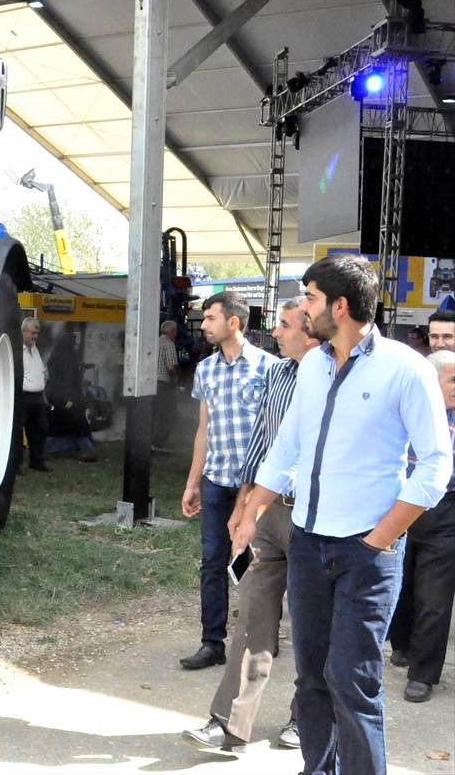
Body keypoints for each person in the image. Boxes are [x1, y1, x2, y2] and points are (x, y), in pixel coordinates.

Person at [232, 253, 452, 775]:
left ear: (340, 305)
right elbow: (287, 449)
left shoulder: (407, 368)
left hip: (365, 554)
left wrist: (379, 540)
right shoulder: (311, 365)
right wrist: (252, 508)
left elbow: (436, 467)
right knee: (311, 678)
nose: (303, 309)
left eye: (309, 298)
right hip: (308, 543)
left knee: (353, 681)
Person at [182, 297, 318, 751]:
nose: (275, 333)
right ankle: (227, 722)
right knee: (253, 612)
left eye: (283, 325)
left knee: (310, 623)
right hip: (269, 511)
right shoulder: (279, 374)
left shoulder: (334, 376)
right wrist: (245, 502)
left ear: (311, 329)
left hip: (315, 518)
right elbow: (264, 440)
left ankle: (307, 718)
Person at [180, 291, 275, 670]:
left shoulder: (270, 368)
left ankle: (261, 641)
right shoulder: (206, 370)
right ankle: (211, 643)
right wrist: (193, 482)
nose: (203, 325)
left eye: (210, 318)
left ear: (233, 322)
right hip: (218, 482)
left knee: (261, 565)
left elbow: (276, 432)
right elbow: (203, 431)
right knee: (212, 562)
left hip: (257, 486)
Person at [387, 348, 455, 702]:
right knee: (401, 583)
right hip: (400, 505)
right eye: (452, 379)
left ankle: (423, 675)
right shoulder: (406, 412)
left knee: (435, 596)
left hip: (446, 511)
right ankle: (402, 645)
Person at [46, 326, 97, 463]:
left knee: (57, 424)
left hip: (56, 397)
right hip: (67, 398)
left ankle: (55, 449)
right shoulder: (68, 357)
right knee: (78, 422)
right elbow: (68, 377)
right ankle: (85, 449)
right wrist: (69, 397)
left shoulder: (56, 355)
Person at [20, 317, 49, 471]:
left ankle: (37, 462)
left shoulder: (38, 350)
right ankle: (17, 464)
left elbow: (41, 375)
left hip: (38, 397)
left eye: (37, 333)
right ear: (24, 331)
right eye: (33, 333)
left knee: (40, 431)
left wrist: (44, 399)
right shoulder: (17, 350)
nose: (35, 336)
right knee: (18, 432)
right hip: (23, 397)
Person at [153, 320, 180, 453]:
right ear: (172, 331)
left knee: (156, 413)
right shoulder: (168, 344)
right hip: (163, 383)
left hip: (152, 382)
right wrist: (175, 378)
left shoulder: (155, 342)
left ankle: (151, 441)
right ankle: (158, 443)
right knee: (170, 414)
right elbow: (170, 366)